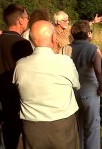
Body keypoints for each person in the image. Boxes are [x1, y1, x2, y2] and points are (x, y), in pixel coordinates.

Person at [12, 20, 80, 149]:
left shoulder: (20, 65)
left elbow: (17, 87)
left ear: (31, 40)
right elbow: (76, 85)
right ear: (54, 38)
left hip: (32, 127)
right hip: (62, 125)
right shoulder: (65, 62)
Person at [59, 20, 102, 149]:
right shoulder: (93, 49)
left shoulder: (64, 49)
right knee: (92, 127)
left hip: (71, 94)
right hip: (90, 92)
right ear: (88, 34)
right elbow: (99, 70)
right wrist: (101, 85)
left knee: (77, 127)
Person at [0, 4, 33, 149]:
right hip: (15, 98)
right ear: (20, 20)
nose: (28, 20)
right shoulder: (22, 44)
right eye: (27, 18)